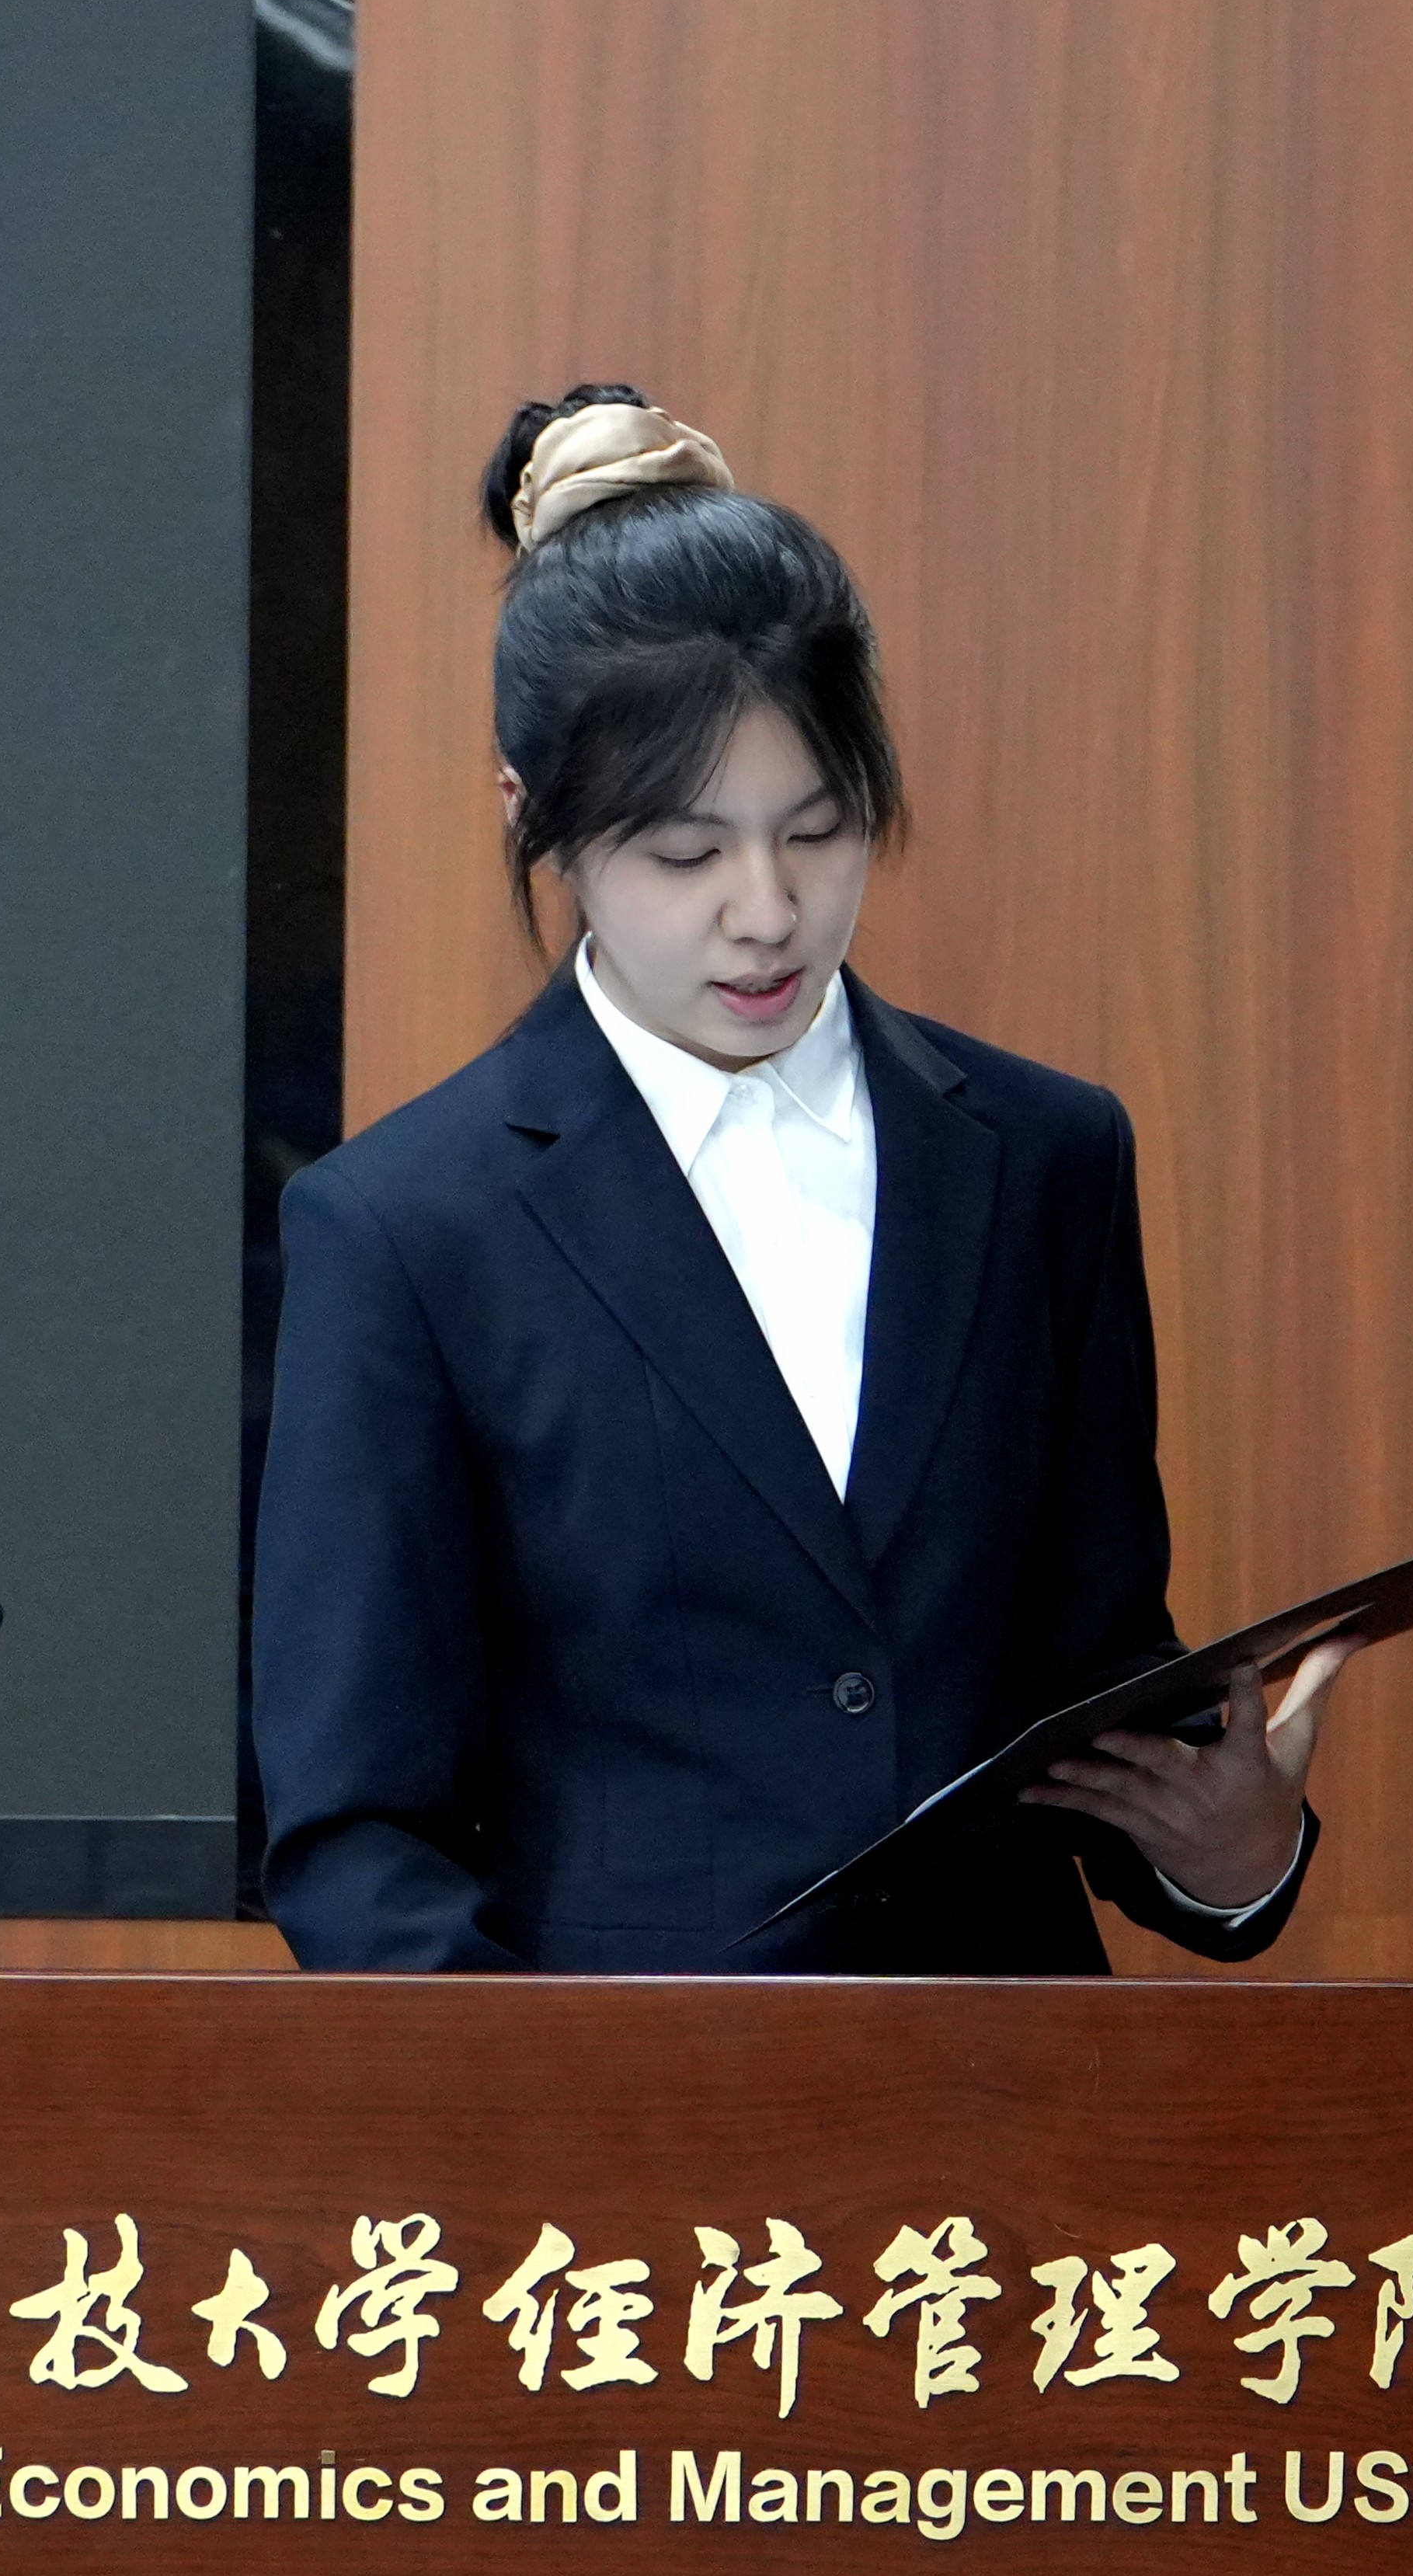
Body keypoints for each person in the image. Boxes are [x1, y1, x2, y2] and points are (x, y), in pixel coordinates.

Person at [253, 385, 1350, 1974]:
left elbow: (1095, 1686)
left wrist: (1233, 1862)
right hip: (629, 2111)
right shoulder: (406, 1228)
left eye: (820, 833)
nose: (766, 913)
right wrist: (555, 2115)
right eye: (685, 855)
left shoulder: (1045, 1159)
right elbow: (361, 1837)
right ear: (534, 818)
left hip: (1004, 2099)